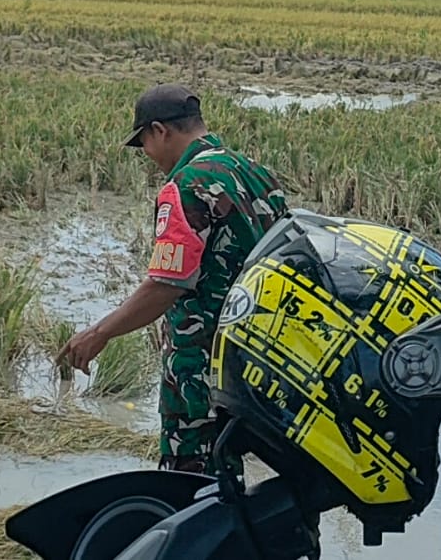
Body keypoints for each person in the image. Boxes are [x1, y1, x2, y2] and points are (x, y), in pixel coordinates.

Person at [60, 84, 290, 474]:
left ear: (159, 130)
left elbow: (167, 285)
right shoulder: (253, 172)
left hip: (203, 366)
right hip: (260, 359)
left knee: (193, 477)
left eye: (144, 143)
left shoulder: (186, 187)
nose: (148, 155)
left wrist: (99, 333)